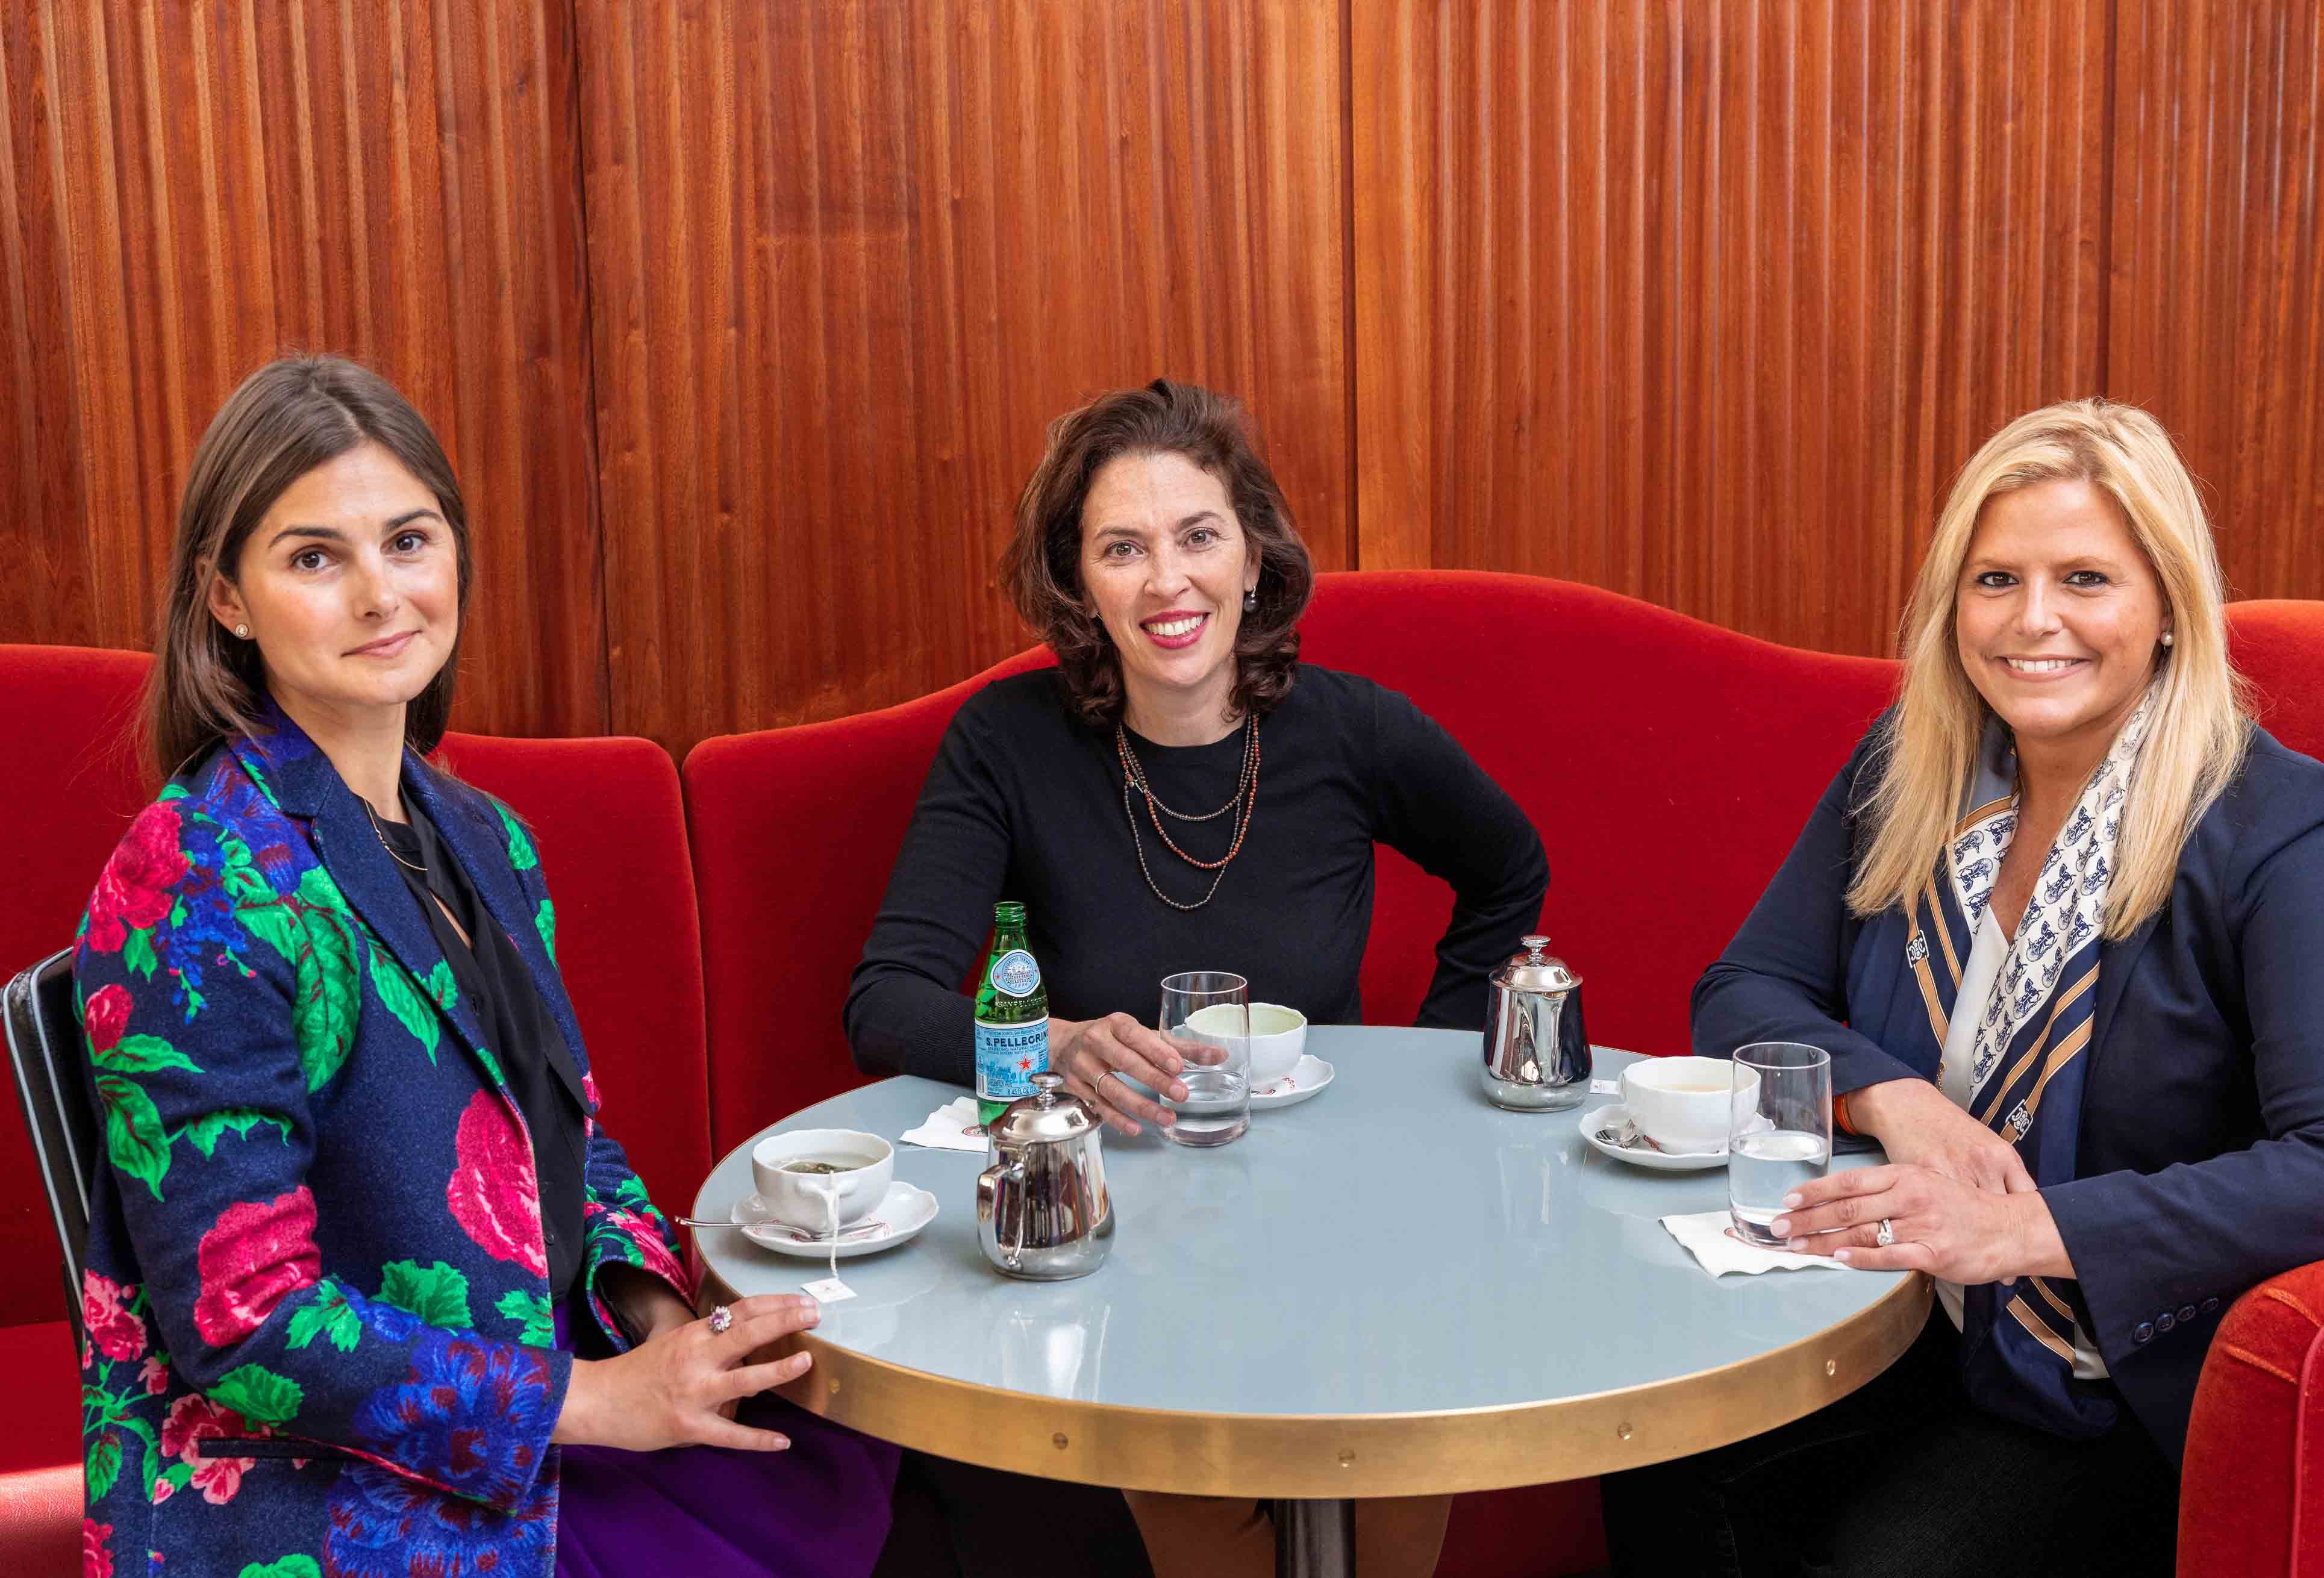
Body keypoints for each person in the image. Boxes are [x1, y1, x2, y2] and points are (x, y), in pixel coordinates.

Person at [71, 355, 897, 1578]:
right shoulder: (193, 879)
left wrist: (658, 1322)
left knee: (891, 1452)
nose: (377, 594)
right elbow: (244, 1320)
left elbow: (571, 1142)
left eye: (407, 539)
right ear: (226, 599)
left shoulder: (480, 836)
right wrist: (599, 1397)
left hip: (541, 1400)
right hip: (336, 1490)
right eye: (314, 557)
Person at [1601, 399, 2324, 1576]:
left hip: (2114, 1381)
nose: (2034, 620)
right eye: (1996, 579)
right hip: (1895, 1321)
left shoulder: (2277, 827)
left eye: (2085, 577)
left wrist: (2019, 1225)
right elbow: (1745, 987)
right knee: (1657, 1461)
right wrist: (1899, 1101)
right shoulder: (1914, 762)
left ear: (2168, 610)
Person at [847, 378, 1549, 1578]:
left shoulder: (1351, 729)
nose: (1168, 582)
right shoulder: (1007, 741)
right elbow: (886, 998)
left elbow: (1511, 872)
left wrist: (1429, 1076)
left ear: (1255, 557)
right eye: (1123, 547)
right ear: (1078, 584)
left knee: (1393, 1484)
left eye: (1198, 536)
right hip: (1126, 1238)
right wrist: (1050, 1039)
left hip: (1358, 1219)